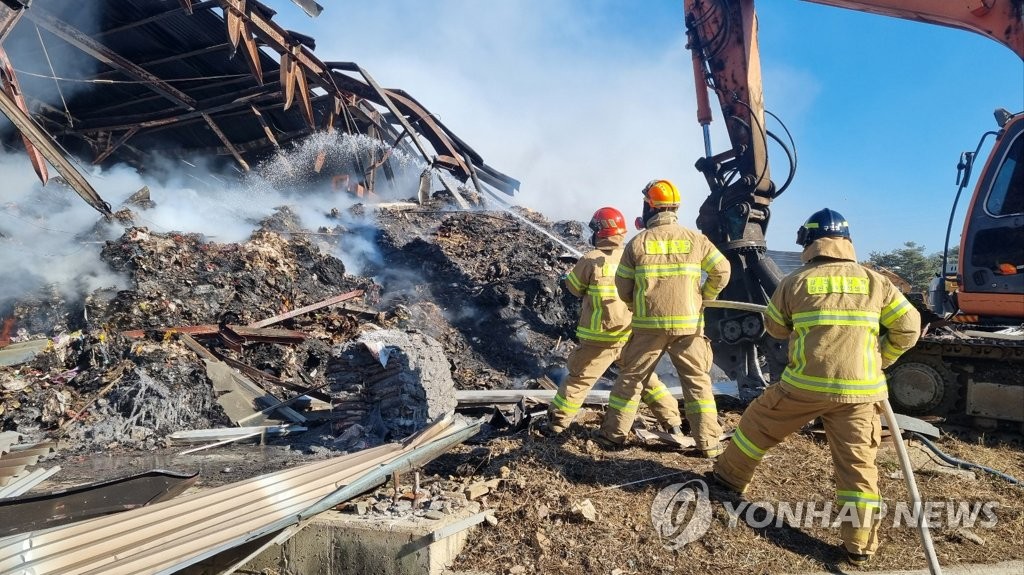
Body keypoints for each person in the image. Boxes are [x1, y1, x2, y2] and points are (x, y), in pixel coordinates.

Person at [712, 208, 921, 566]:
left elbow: (775, 329)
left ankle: (728, 480)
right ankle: (859, 546)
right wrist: (880, 359)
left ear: (809, 242)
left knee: (755, 426)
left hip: (803, 387)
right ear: (846, 242)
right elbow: (909, 328)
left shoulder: (796, 282)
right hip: (860, 393)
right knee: (858, 468)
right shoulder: (876, 282)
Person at [592, 180, 731, 456]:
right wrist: (704, 298)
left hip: (648, 327)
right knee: (697, 381)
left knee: (632, 379)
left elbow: (622, 287)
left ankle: (612, 437)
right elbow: (722, 271)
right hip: (689, 326)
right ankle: (709, 443)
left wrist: (637, 305)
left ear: (650, 207)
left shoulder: (638, 242)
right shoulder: (696, 240)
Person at [542, 207, 680, 435]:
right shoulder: (632, 256)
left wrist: (567, 278)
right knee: (645, 379)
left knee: (578, 381)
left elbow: (575, 288)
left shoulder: (590, 260)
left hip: (599, 338)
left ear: (600, 232)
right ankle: (672, 421)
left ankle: (556, 425)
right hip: (628, 335)